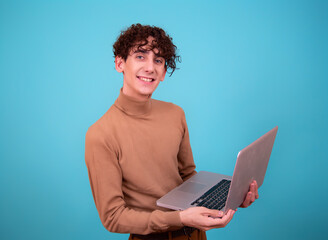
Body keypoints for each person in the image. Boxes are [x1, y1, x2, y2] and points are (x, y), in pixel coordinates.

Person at [85, 23, 259, 240]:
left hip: (195, 234)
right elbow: (113, 217)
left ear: (164, 72)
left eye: (158, 60)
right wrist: (180, 219)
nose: (150, 67)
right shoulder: (100, 135)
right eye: (140, 56)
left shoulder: (175, 113)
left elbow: (188, 177)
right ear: (120, 63)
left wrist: (231, 199)